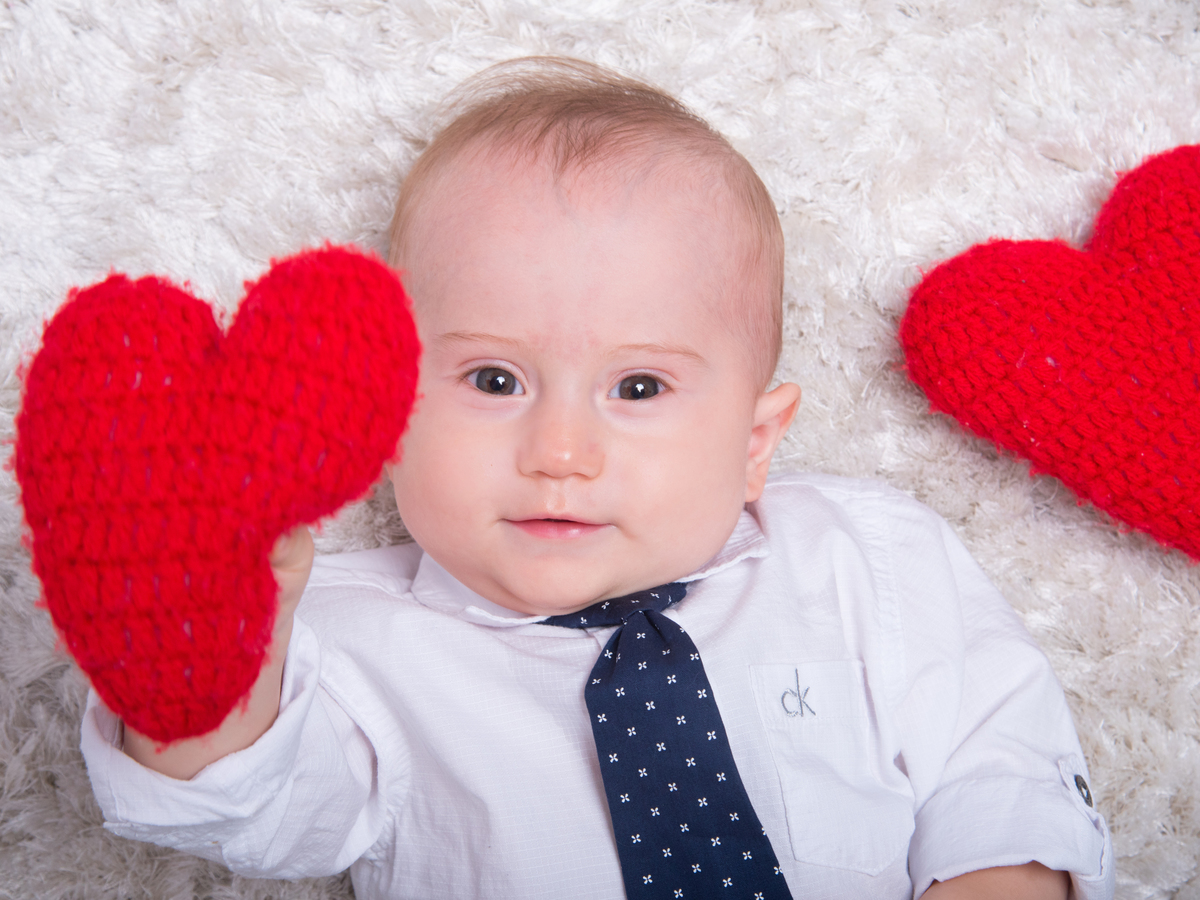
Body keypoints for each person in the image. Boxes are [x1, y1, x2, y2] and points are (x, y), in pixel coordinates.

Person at [80, 57, 1113, 899]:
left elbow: (998, 765)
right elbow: (241, 807)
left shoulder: (861, 556)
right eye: (495, 379)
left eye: (639, 387)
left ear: (755, 441)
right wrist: (208, 624)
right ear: (388, 416)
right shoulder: (347, 640)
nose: (560, 449)